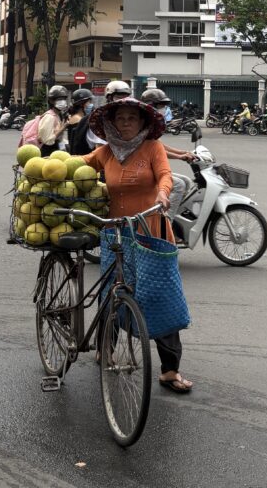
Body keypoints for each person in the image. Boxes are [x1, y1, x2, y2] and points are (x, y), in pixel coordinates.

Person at [82, 97, 193, 394]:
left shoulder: (152, 148)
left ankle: (169, 371)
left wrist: (162, 194)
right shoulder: (105, 153)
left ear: (143, 123)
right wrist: (42, 165)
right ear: (112, 124)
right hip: (116, 234)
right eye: (121, 118)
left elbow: (165, 176)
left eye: (132, 118)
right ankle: (105, 349)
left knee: (162, 298)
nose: (127, 123)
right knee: (113, 293)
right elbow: (77, 165)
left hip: (151, 231)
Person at [140, 88, 196, 214]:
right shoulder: (142, 124)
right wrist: (180, 157)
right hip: (141, 169)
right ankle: (165, 223)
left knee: (186, 181)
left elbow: (158, 146)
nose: (164, 109)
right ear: (150, 106)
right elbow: (155, 151)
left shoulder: (151, 123)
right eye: (161, 106)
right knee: (178, 185)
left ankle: (173, 216)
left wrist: (183, 152)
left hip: (149, 168)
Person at [37, 85, 71, 157]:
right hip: (47, 154)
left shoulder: (58, 115)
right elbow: (48, 141)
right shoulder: (49, 117)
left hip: (55, 151)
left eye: (64, 99)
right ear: (51, 101)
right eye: (59, 99)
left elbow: (59, 138)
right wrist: (64, 127)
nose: (63, 102)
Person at [66, 88, 95, 156]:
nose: (91, 104)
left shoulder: (81, 118)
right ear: (81, 104)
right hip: (80, 155)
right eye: (89, 102)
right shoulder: (77, 119)